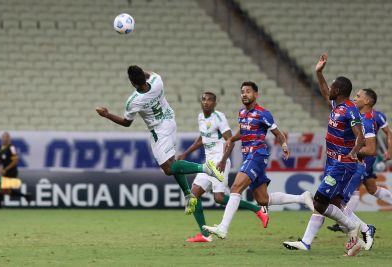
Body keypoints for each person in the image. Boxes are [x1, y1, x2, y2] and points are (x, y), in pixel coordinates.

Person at [96, 65, 224, 215]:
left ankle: (206, 168)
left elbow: (126, 122)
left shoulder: (134, 101)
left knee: (169, 168)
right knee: (172, 163)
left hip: (159, 130)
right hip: (170, 120)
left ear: (132, 83)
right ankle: (189, 195)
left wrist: (107, 114)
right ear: (144, 77)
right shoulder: (157, 81)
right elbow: (149, 74)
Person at [202, 81, 314, 240]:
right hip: (248, 156)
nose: (244, 94)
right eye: (242, 92)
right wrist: (232, 139)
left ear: (256, 94)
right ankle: (302, 198)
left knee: (235, 188)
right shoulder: (242, 113)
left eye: (248, 91)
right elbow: (243, 130)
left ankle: (223, 228)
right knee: (263, 199)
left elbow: (278, 133)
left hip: (257, 154)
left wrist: (284, 145)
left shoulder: (263, 113)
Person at [283, 53, 366, 256]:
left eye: (332, 87)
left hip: (342, 164)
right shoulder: (337, 106)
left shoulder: (350, 110)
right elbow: (323, 90)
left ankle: (353, 228)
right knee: (332, 204)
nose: (329, 89)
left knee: (319, 200)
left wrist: (354, 152)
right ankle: (309, 241)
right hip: (332, 162)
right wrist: (319, 72)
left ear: (338, 91)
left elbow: (361, 137)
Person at [179, 92, 266, 242]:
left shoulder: (219, 118)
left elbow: (230, 141)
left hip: (220, 162)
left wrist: (223, 161)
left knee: (219, 198)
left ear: (215, 103)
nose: (206, 102)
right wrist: (185, 153)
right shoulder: (200, 117)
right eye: (204, 99)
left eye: (210, 100)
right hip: (208, 164)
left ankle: (258, 210)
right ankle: (205, 235)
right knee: (193, 196)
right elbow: (202, 139)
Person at [327, 88, 392, 248]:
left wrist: (389, 150)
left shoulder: (374, 117)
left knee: (346, 194)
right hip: (358, 154)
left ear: (368, 101)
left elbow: (387, 134)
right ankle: (348, 222)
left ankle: (348, 223)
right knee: (371, 188)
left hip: (364, 157)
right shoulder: (355, 114)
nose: (354, 98)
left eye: (358, 96)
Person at [0, 132, 31, 207]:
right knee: (6, 191)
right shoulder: (0, 147)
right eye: (4, 137)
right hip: (4, 172)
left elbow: (15, 160)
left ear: (9, 139)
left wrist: (6, 169)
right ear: (2, 138)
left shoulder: (12, 148)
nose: (5, 139)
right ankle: (26, 196)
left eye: (7, 137)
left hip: (11, 172)